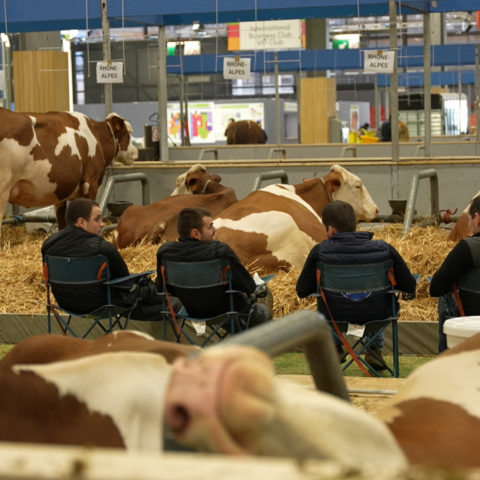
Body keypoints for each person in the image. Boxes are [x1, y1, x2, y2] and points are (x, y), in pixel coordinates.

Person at [296, 200, 416, 369]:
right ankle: (374, 349)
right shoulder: (384, 249)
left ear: (330, 230)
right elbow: (409, 286)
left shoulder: (320, 252)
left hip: (335, 317)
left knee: (325, 300)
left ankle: (335, 347)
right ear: (354, 224)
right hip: (378, 317)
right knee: (379, 298)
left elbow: (302, 290)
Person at [41, 198, 175, 319]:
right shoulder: (102, 248)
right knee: (167, 300)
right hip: (100, 306)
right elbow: (124, 280)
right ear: (81, 222)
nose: (102, 224)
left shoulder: (48, 245)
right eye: (97, 219)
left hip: (65, 304)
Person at [156, 207, 271, 328]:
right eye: (210, 227)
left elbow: (161, 287)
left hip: (186, 312)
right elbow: (248, 286)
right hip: (224, 313)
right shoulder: (219, 251)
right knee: (263, 297)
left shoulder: (165, 252)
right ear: (195, 233)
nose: (214, 230)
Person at [430, 195, 480, 353]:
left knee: (446, 294)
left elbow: (436, 288)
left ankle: (448, 358)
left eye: (469, 218)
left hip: (470, 320)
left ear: (477, 218)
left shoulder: (468, 247)